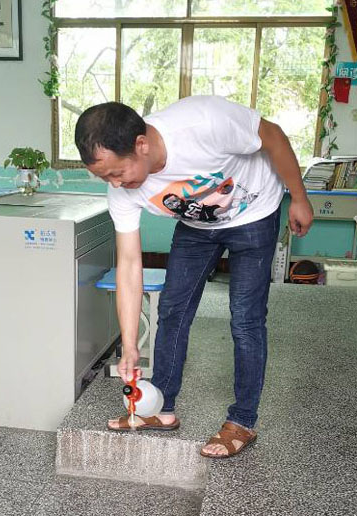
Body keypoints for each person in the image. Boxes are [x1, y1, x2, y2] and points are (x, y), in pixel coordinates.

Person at [74, 95, 313, 458]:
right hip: (197, 225)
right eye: (105, 177)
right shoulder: (120, 188)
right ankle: (161, 408)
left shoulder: (203, 123)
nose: (115, 185)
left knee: (245, 319)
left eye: (117, 173)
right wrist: (130, 344)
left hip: (255, 213)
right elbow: (129, 264)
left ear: (141, 144)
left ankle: (242, 421)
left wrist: (299, 196)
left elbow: (274, 136)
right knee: (172, 310)